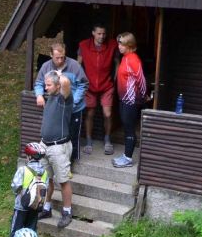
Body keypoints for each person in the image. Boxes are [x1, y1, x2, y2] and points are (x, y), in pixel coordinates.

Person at [34, 43, 89, 162]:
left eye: (62, 57)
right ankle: (59, 160)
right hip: (55, 109)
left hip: (74, 108)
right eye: (57, 58)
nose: (60, 60)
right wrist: (39, 95)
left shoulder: (74, 65)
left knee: (73, 135)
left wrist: (73, 102)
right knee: (60, 135)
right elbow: (39, 83)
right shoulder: (46, 66)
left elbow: (83, 84)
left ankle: (73, 161)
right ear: (51, 55)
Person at [36, 71, 74, 228]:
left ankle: (67, 212)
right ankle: (46, 208)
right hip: (45, 145)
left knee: (63, 181)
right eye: (45, 84)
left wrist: (59, 74)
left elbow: (66, 83)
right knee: (46, 179)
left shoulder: (64, 98)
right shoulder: (51, 97)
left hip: (59, 147)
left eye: (49, 85)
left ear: (58, 85)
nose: (45, 88)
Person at [78, 23, 118, 155]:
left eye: (104, 34)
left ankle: (107, 140)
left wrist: (115, 80)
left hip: (107, 85)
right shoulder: (84, 45)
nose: (102, 36)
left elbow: (117, 63)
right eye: (99, 33)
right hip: (89, 86)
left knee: (108, 114)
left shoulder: (112, 45)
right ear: (93, 33)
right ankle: (89, 141)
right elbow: (78, 64)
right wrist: (80, 81)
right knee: (90, 113)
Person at [112, 32, 148, 168]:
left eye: (121, 44)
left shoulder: (133, 59)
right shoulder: (125, 58)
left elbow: (141, 80)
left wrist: (143, 96)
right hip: (124, 99)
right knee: (126, 127)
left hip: (131, 101)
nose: (119, 46)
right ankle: (126, 155)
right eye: (119, 43)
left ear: (129, 45)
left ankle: (127, 158)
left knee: (129, 128)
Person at [9, 142, 48, 237]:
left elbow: (15, 186)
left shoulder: (23, 170)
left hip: (21, 206)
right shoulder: (45, 172)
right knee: (31, 231)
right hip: (35, 206)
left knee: (16, 231)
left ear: (29, 157)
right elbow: (46, 187)